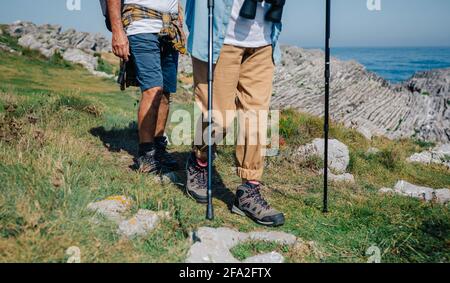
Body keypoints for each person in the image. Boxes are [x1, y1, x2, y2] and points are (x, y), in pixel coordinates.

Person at [184, 0, 285, 227]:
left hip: (264, 39)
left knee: (257, 119)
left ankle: (249, 189)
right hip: (220, 36)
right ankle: (199, 161)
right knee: (218, 118)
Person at [107, 0, 185, 173]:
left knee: (165, 92)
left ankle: (158, 147)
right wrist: (117, 30)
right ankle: (147, 154)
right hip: (141, 24)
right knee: (153, 89)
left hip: (170, 28)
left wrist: (179, 13)